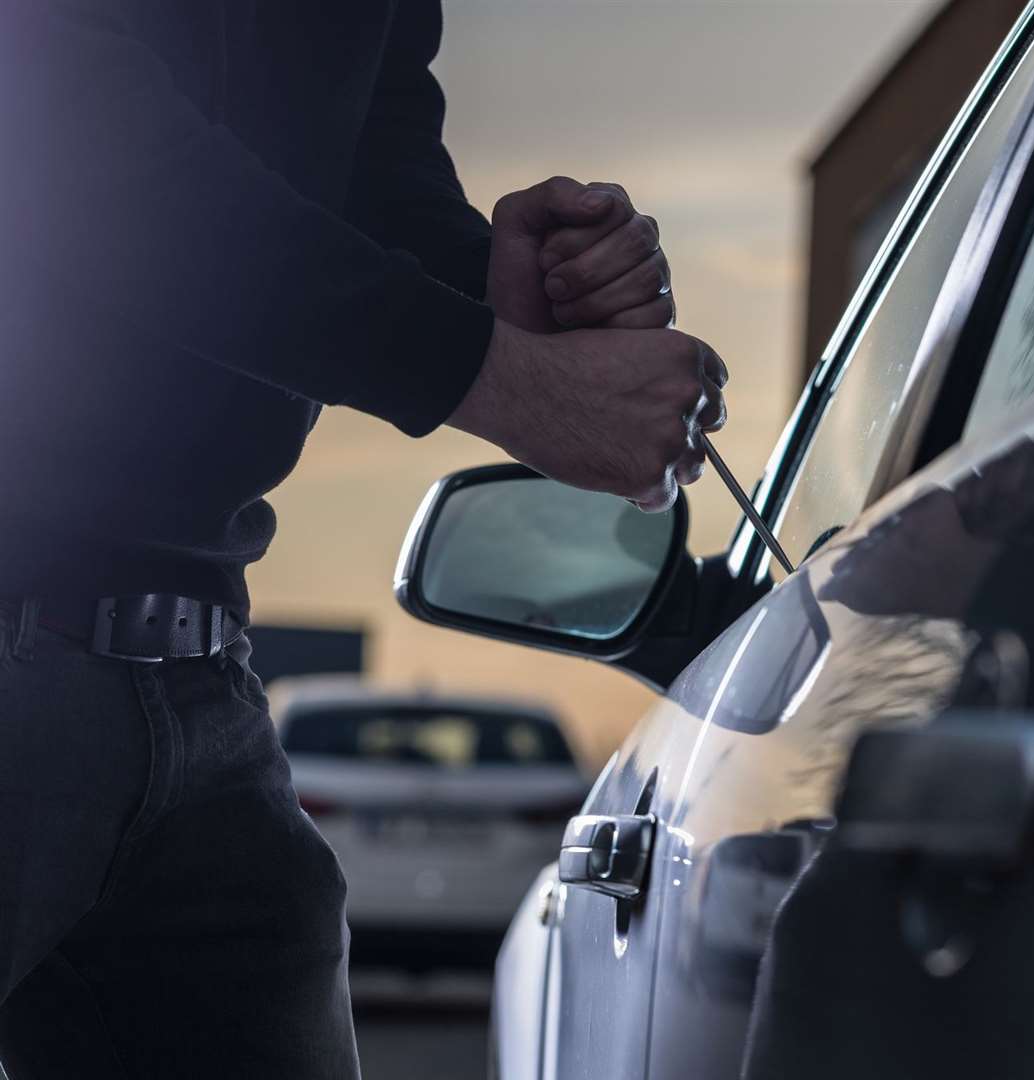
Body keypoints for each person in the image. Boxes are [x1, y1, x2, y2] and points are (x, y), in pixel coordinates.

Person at [0, 2, 725, 1075]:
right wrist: (502, 380)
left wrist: (498, 293)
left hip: (198, 671)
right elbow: (62, 128)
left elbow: (366, 163)